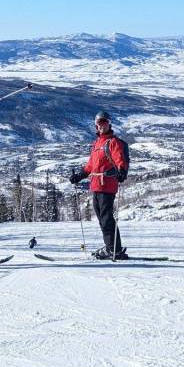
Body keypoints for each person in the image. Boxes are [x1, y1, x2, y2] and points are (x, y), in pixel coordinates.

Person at [69, 111, 129, 260]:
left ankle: (115, 249)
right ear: (96, 125)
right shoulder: (97, 143)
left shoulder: (112, 142)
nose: (101, 126)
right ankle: (111, 247)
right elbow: (90, 166)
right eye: (99, 123)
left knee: (106, 217)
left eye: (104, 122)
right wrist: (79, 176)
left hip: (107, 184)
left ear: (109, 124)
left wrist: (121, 171)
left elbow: (119, 158)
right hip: (96, 185)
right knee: (102, 218)